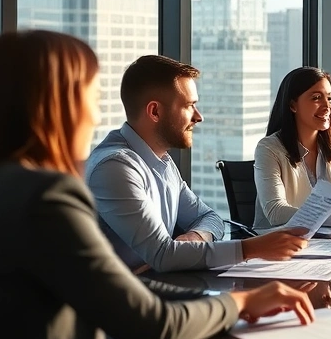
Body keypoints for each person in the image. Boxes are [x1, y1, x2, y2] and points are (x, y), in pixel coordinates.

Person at [0, 31, 314, 339]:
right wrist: (240, 303)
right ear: (58, 106)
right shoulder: (47, 197)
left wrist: (216, 301)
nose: (94, 115)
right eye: (93, 98)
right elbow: (151, 324)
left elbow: (111, 285)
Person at [86, 55, 307, 273]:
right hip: (115, 304)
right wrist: (254, 248)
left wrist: (195, 237)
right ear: (155, 112)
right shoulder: (115, 167)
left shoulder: (161, 160)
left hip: (152, 291)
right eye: (189, 106)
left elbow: (210, 218)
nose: (198, 116)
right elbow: (163, 255)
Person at [253, 67, 331, 229]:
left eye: (330, 98)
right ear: (292, 105)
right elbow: (276, 212)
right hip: (279, 243)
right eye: (316, 98)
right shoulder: (269, 149)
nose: (327, 106)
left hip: (328, 242)